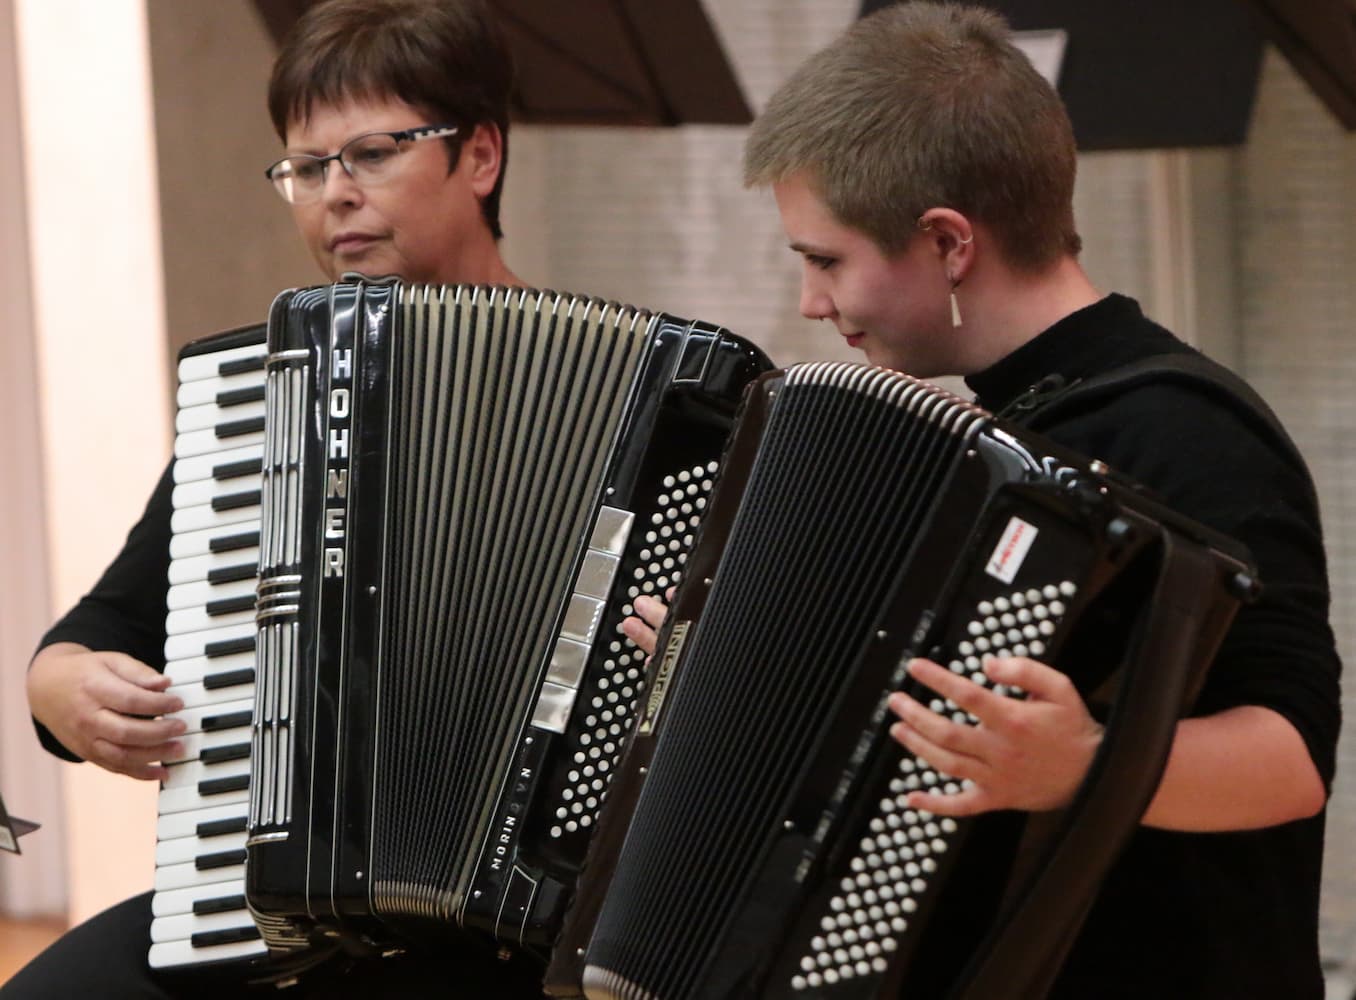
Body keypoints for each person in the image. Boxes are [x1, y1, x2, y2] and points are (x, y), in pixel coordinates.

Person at [623, 3, 1341, 997]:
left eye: (825, 260)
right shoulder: (968, 444)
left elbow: (1291, 757)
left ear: (949, 242)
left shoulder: (1186, 431)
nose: (812, 303)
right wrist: (730, 682)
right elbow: (907, 721)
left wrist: (1086, 764)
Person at [10, 1, 545, 996]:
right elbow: (103, 626)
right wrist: (64, 684)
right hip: (273, 902)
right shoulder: (266, 406)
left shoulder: (648, 399)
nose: (333, 196)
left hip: (520, 938)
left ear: (478, 156)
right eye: (306, 166)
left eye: (374, 154)